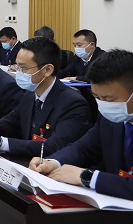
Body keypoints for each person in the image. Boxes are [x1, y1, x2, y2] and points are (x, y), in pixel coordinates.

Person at [0, 37, 90, 156]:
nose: (18, 73)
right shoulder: (29, 95)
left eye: (23, 68)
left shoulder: (72, 103)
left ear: (47, 70)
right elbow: (4, 125)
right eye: (17, 67)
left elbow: (53, 146)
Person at [31, 49, 133, 201]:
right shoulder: (109, 118)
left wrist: (88, 177)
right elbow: (84, 147)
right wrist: (52, 162)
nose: (103, 105)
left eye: (108, 99)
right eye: (97, 97)